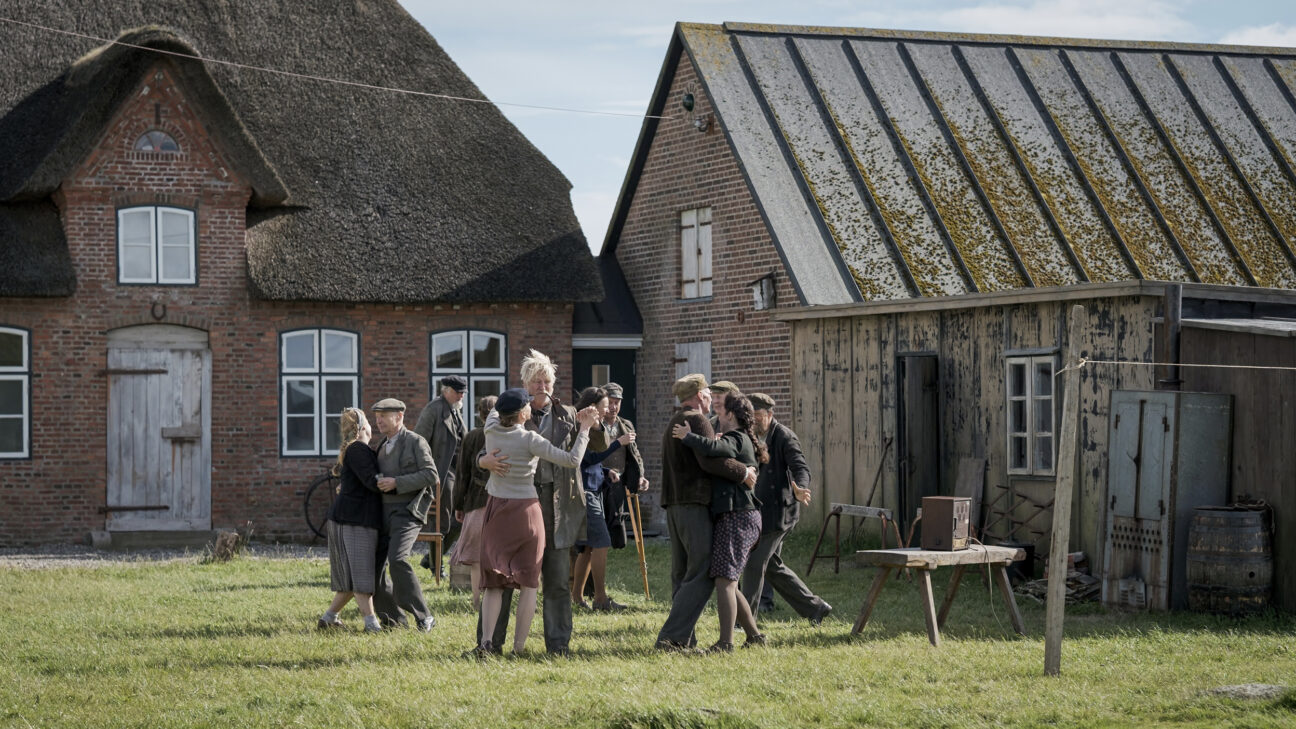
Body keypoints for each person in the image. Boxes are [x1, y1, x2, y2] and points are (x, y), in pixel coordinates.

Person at [471, 388, 599, 656]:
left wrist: (483, 460)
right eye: (527, 405)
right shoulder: (530, 439)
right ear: (522, 414)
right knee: (529, 583)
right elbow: (572, 460)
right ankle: (519, 648)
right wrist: (585, 428)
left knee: (494, 581)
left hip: (498, 511)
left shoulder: (491, 430)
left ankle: (486, 643)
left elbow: (494, 411)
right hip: (527, 512)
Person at [655, 374, 756, 652]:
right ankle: (672, 638)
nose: (712, 400)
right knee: (701, 571)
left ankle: (684, 638)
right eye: (709, 395)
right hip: (693, 505)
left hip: (674, 506)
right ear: (700, 395)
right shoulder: (697, 420)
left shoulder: (675, 420)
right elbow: (711, 461)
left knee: (682, 573)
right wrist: (744, 472)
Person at [673, 392, 768, 652]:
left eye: (720, 409)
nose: (715, 413)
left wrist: (689, 436)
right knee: (728, 582)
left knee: (725, 581)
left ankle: (726, 643)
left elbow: (716, 450)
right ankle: (754, 637)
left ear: (731, 415)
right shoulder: (738, 438)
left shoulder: (736, 437)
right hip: (738, 516)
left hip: (739, 516)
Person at [742, 393, 833, 625]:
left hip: (779, 514)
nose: (754, 420)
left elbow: (801, 468)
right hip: (757, 511)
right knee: (772, 566)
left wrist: (800, 488)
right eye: (751, 416)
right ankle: (815, 608)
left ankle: (744, 621)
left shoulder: (784, 436)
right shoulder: (749, 435)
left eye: (758, 415)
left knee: (754, 563)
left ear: (770, 414)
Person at [370, 398, 439, 632]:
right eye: (377, 416)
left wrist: (397, 483)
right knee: (374, 567)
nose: (379, 421)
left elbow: (431, 475)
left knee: (398, 559)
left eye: (384, 416)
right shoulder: (381, 445)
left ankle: (424, 616)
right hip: (382, 513)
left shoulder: (415, 442)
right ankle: (394, 621)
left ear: (399, 416)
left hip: (408, 512)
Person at [318, 407, 384, 633]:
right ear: (364, 427)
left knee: (349, 579)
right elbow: (372, 481)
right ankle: (371, 624)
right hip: (354, 520)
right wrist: (397, 482)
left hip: (347, 518)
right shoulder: (358, 448)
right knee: (361, 575)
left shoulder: (356, 450)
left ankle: (329, 618)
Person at [570, 386, 635, 611]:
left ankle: (577, 598)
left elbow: (591, 461)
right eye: (605, 406)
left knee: (588, 547)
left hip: (593, 489)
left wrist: (606, 472)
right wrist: (618, 443)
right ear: (593, 407)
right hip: (586, 493)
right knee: (602, 543)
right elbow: (587, 458)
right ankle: (600, 599)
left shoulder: (593, 426)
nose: (608, 410)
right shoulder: (580, 426)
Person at [413, 374, 468, 570]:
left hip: (458, 473)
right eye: (458, 392)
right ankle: (437, 566)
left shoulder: (454, 410)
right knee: (441, 522)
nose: (462, 396)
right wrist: (429, 471)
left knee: (462, 519)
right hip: (442, 473)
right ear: (446, 391)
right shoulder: (433, 409)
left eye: (463, 393)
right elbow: (418, 443)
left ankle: (431, 558)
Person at [450, 394, 497, 613]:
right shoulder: (506, 435)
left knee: (478, 558)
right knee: (497, 554)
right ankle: (495, 598)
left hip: (477, 501)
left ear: (480, 414)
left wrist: (459, 505)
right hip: (501, 501)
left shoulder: (471, 437)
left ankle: (477, 601)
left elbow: (462, 475)